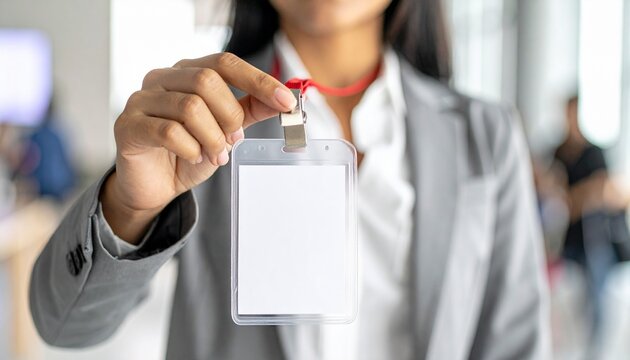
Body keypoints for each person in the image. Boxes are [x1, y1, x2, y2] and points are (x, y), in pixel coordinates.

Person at [29, 0, 551, 358]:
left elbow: (515, 341)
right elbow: (64, 324)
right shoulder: (194, 121)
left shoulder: (485, 134)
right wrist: (129, 206)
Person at [554, 94, 630, 336]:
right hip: (567, 237)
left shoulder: (594, 152)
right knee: (567, 298)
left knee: (596, 298)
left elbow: (602, 190)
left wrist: (576, 197)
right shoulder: (559, 151)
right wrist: (581, 195)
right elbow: (559, 194)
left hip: (593, 238)